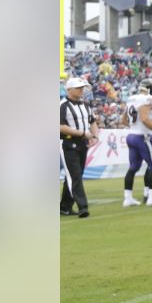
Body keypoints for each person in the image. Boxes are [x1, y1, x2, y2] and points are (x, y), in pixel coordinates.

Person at [121, 79, 152, 207]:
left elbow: (124, 120)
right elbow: (144, 118)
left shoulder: (131, 98)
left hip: (131, 135)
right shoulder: (148, 99)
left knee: (133, 167)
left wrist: (134, 126)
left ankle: (128, 198)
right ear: (150, 88)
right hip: (143, 136)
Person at [60, 77, 98, 218]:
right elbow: (60, 126)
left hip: (82, 143)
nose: (82, 90)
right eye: (78, 88)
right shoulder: (62, 105)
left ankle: (65, 207)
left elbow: (92, 121)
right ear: (69, 90)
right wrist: (82, 133)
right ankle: (83, 206)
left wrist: (95, 136)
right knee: (74, 175)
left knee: (76, 174)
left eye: (82, 88)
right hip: (68, 143)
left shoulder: (86, 105)